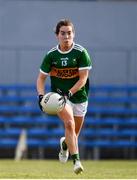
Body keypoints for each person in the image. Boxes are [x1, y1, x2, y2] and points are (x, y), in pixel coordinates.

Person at [36, 19, 92, 174]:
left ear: (73, 34)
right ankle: (77, 162)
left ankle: (65, 145)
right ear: (57, 35)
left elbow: (83, 79)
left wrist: (70, 93)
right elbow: (41, 78)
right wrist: (41, 96)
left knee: (73, 135)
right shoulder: (51, 55)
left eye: (69, 33)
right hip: (59, 97)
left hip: (79, 96)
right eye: (62, 33)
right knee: (69, 124)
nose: (66, 36)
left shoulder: (81, 53)